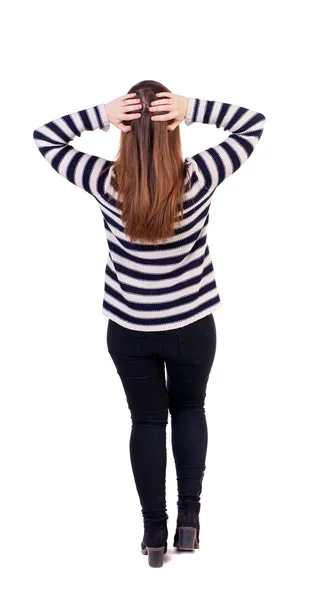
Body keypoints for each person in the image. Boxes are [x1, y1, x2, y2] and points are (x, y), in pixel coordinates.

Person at [33, 80, 266, 568]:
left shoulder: (105, 179)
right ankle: (189, 523)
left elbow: (46, 137)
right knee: (189, 410)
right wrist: (192, 108)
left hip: (130, 329)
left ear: (124, 131)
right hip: (191, 326)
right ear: (172, 128)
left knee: (146, 422)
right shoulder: (199, 175)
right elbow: (252, 125)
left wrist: (101, 113)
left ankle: (153, 535)